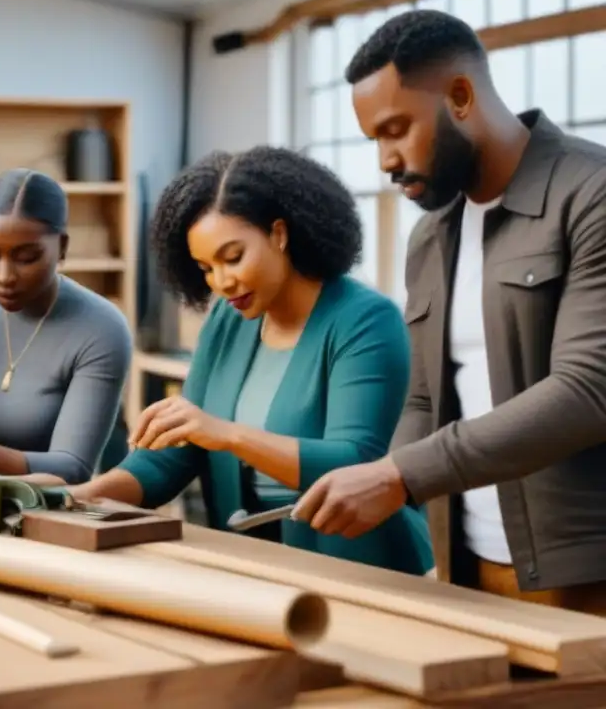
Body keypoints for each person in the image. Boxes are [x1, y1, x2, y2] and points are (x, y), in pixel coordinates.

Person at [294, 10, 606, 611]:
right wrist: (382, 480)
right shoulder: (432, 237)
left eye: (396, 128)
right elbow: (424, 400)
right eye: (374, 140)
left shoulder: (590, 195)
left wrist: (401, 475)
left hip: (585, 574)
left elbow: (588, 389)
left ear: (460, 95)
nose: (385, 160)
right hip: (464, 570)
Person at [22, 146, 433, 574]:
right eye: (205, 268)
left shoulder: (365, 320)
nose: (221, 282)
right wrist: (82, 495)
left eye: (233, 257)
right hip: (254, 563)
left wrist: (227, 435)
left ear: (279, 233)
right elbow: (175, 455)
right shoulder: (229, 317)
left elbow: (355, 464)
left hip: (359, 568)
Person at [0, 168, 132, 499]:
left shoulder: (101, 328)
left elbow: (74, 468)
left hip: (42, 519)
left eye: (26, 258)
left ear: (61, 247)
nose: (4, 276)